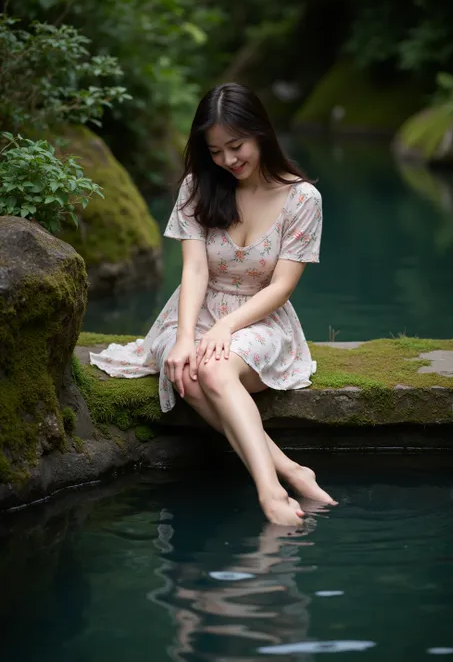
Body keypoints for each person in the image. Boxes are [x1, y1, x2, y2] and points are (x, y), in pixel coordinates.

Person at [90, 82, 337, 525]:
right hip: (192, 312)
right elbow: (195, 272)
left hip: (261, 317)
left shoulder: (302, 199)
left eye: (236, 146)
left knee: (216, 368)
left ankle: (270, 494)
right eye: (216, 151)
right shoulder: (197, 186)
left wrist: (225, 329)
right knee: (187, 368)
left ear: (261, 132)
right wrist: (186, 337)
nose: (227, 160)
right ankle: (289, 470)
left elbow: (281, 286)